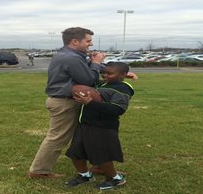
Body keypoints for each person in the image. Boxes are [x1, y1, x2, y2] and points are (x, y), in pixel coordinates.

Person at [28, 27, 106, 178]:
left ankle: (98, 165)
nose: (91, 44)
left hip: (68, 101)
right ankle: (39, 171)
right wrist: (96, 63)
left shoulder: (71, 55)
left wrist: (99, 65)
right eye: (88, 41)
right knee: (57, 137)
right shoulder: (71, 58)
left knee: (86, 135)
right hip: (65, 103)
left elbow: (85, 72)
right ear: (75, 41)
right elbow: (88, 79)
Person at [65, 62, 134, 190]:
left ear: (123, 74)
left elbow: (118, 109)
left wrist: (90, 103)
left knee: (101, 155)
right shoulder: (102, 84)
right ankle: (85, 175)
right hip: (85, 124)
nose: (105, 75)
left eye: (110, 73)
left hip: (102, 127)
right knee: (76, 152)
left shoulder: (123, 89)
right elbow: (88, 75)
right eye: (104, 72)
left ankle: (115, 179)